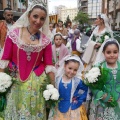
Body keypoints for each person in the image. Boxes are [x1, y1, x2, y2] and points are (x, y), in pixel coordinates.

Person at [0, 2, 55, 120]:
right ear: (29, 15)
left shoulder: (46, 40)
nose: (38, 21)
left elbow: (49, 64)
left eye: (42, 19)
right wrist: (1, 81)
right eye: (35, 16)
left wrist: (52, 87)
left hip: (36, 81)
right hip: (15, 79)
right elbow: (4, 59)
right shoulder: (14, 34)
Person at [48, 55, 88, 120]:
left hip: (72, 109)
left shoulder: (77, 81)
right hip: (58, 107)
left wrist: (76, 101)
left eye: (75, 70)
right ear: (64, 66)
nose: (72, 72)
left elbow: (84, 92)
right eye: (70, 68)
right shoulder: (58, 79)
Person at [89, 39, 120, 120]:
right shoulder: (99, 67)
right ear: (103, 53)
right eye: (108, 52)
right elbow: (92, 85)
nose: (112, 55)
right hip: (102, 104)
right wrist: (100, 95)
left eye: (115, 52)